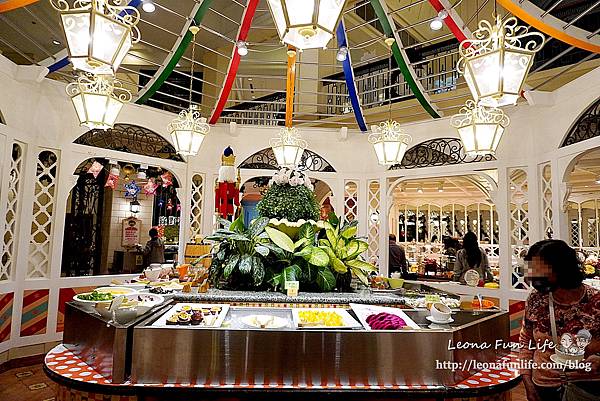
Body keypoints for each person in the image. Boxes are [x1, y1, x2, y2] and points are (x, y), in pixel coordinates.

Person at [519, 240, 600, 401]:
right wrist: (527, 380)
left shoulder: (596, 300)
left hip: (588, 386)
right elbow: (526, 341)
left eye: (539, 269)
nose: (532, 276)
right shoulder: (536, 299)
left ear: (562, 268)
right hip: (544, 385)